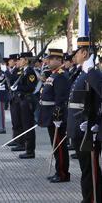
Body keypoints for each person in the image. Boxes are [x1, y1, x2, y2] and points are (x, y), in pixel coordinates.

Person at [66, 37, 101, 203]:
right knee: (85, 167)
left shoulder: (93, 74)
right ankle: (88, 197)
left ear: (85, 53)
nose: (74, 56)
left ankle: (92, 198)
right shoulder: (82, 73)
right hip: (79, 128)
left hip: (88, 131)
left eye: (77, 53)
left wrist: (96, 123)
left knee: (90, 169)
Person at [38, 49, 70, 183]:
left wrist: (58, 116)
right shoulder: (53, 74)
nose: (48, 61)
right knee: (55, 145)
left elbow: (60, 99)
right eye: (48, 58)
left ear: (59, 60)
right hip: (49, 115)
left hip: (56, 117)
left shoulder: (61, 75)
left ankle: (62, 173)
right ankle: (59, 171)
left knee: (59, 146)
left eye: (51, 59)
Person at [10, 52, 37, 159]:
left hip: (27, 101)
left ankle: (30, 151)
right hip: (22, 101)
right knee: (23, 124)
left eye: (21, 59)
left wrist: (19, 88)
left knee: (28, 126)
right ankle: (25, 147)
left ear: (26, 60)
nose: (18, 61)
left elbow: (31, 87)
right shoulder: (23, 71)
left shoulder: (30, 72)